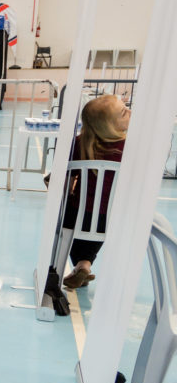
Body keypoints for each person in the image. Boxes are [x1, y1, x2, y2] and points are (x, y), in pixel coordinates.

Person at [62, 94, 130, 289]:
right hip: (110, 217)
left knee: (72, 220)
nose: (130, 112)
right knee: (101, 221)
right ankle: (85, 264)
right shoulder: (129, 147)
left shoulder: (79, 143)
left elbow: (67, 179)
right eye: (124, 112)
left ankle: (80, 264)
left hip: (77, 216)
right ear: (108, 125)